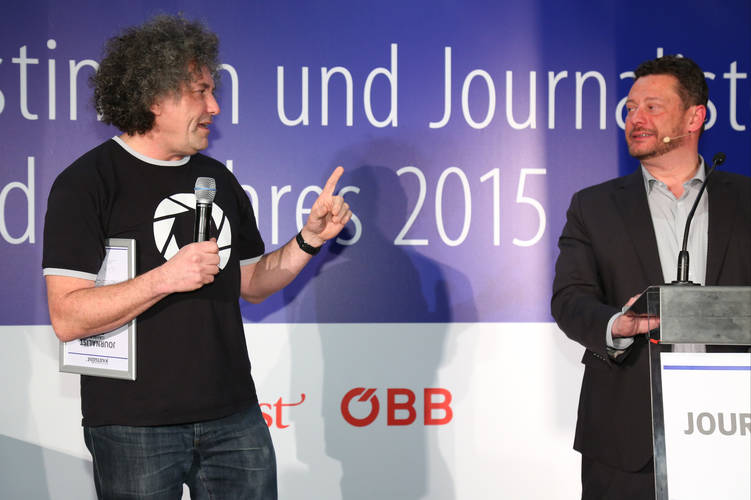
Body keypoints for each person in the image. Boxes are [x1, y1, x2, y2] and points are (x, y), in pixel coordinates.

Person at [42, 15, 351, 500]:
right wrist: (164, 278)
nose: (214, 106)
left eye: (213, 91)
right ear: (154, 97)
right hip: (133, 427)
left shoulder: (217, 179)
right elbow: (67, 317)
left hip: (234, 417)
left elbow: (252, 282)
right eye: (199, 92)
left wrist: (309, 239)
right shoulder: (86, 184)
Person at [551, 55, 751, 499]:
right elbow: (569, 298)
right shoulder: (593, 206)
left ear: (694, 117)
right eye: (630, 108)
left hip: (736, 430)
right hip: (627, 440)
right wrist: (615, 325)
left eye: (652, 107)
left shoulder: (745, 200)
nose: (635, 118)